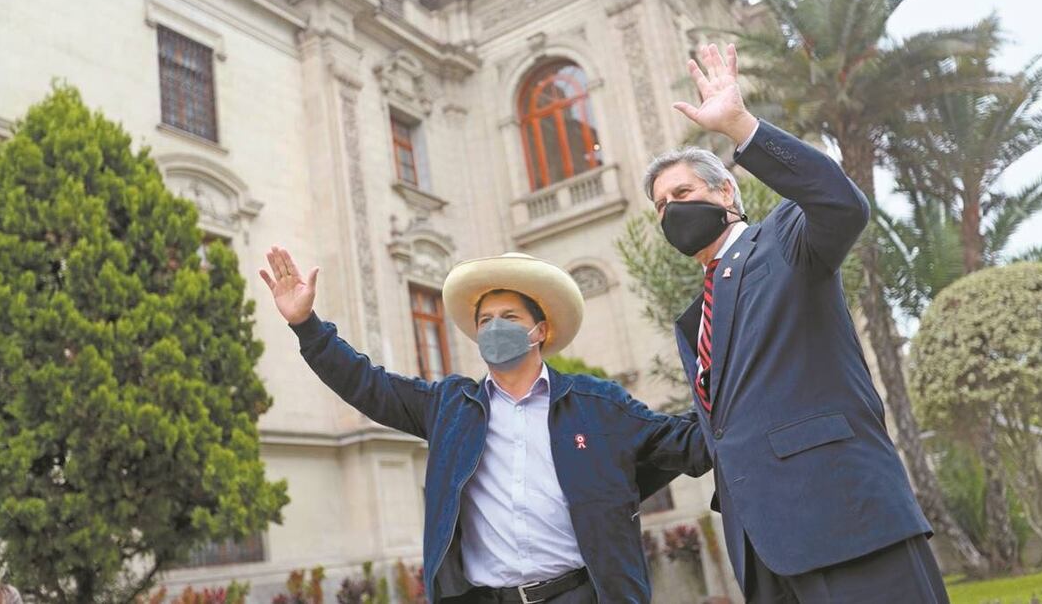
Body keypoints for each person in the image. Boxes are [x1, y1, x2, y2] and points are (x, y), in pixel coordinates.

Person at [645, 42, 948, 603]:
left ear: (725, 190)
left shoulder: (784, 239)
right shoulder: (696, 319)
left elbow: (840, 203)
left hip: (846, 523)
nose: (672, 210)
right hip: (764, 554)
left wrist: (740, 126)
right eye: (661, 206)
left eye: (682, 192)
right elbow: (723, 429)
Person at [260, 248, 711, 603]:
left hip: (578, 594)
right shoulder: (451, 407)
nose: (495, 328)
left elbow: (690, 443)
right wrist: (306, 325)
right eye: (485, 320)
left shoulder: (598, 405)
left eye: (509, 318)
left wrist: (732, 372)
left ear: (540, 331)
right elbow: (368, 385)